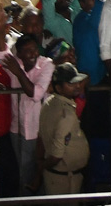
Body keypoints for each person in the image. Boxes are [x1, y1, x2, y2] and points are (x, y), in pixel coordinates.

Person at [37, 63, 89, 194]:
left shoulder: (49, 102)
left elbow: (41, 138)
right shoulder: (66, 114)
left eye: (77, 82)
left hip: (58, 175)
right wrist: (42, 167)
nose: (77, 86)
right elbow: (56, 155)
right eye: (71, 84)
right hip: (64, 179)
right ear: (59, 88)